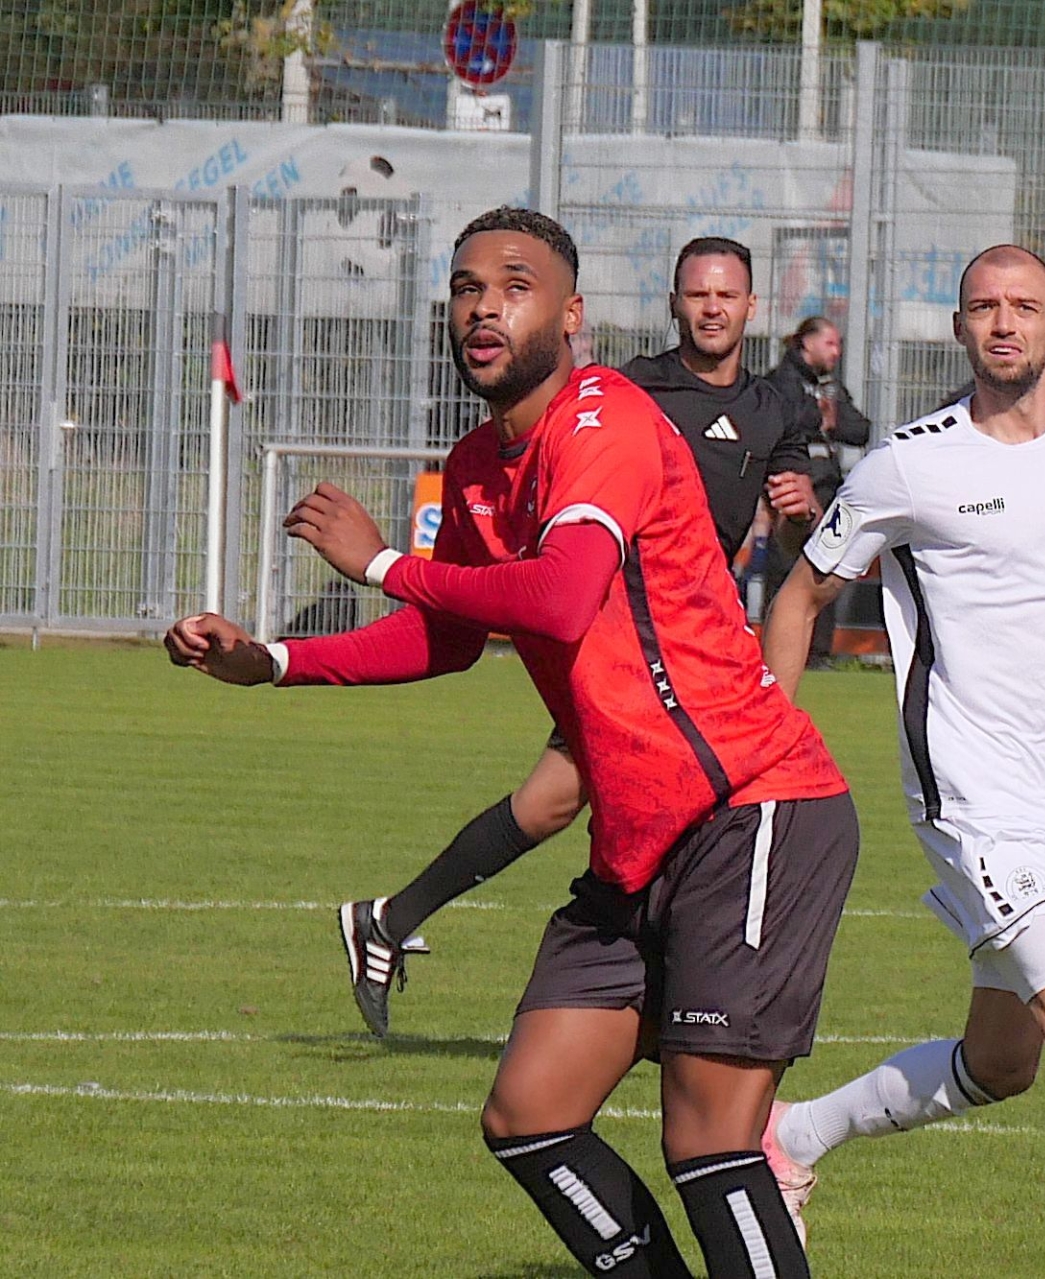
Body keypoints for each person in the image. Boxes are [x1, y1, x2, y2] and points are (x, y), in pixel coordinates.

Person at [164, 208, 852, 1278]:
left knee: (709, 1140)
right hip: (640, 835)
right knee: (530, 1113)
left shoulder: (605, 418)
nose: (485, 307)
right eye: (466, 287)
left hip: (749, 808)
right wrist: (277, 660)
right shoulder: (479, 465)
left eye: (515, 286)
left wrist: (382, 562)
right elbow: (445, 634)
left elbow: (564, 593)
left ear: (571, 315)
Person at [756, 245, 1045, 1279]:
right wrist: (765, 743)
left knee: (1002, 1062)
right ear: (961, 327)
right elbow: (800, 595)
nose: (1004, 323)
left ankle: (794, 1137)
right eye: (985, 307)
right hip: (964, 794)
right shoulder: (909, 463)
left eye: (1024, 307)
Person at [335, 234, 824, 1039]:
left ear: (751, 307)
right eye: (697, 293)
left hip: (698, 647)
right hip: (624, 645)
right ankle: (683, 1014)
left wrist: (802, 508)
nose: (711, 308)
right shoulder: (629, 392)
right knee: (570, 801)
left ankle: (391, 921)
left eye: (726, 295)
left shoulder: (777, 407)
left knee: (561, 802)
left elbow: (803, 545)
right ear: (674, 303)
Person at [765, 316, 872, 663]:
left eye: (839, 345)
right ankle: (776, 653)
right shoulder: (781, 382)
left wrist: (833, 421)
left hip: (829, 490)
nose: (836, 352)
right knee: (786, 570)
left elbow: (860, 429)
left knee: (825, 569)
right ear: (806, 343)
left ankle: (818, 653)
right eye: (829, 343)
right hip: (791, 490)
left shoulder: (830, 387)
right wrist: (818, 418)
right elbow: (786, 421)